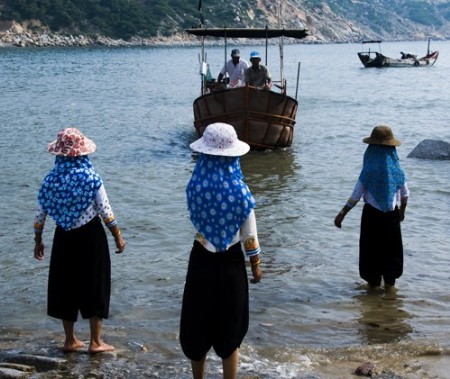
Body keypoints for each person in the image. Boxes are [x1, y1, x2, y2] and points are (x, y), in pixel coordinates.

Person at [180, 122, 263, 379]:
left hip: (201, 259)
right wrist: (256, 265)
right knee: (230, 326)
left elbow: (197, 219)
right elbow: (249, 234)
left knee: (198, 322)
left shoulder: (196, 186)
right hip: (230, 263)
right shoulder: (240, 191)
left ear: (204, 154)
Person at [33, 127, 126, 353]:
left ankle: (70, 340)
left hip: (63, 237)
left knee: (65, 285)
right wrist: (118, 237)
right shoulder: (91, 178)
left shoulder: (50, 180)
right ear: (82, 153)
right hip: (91, 236)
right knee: (95, 284)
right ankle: (95, 342)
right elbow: (105, 211)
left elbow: (40, 214)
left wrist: (38, 240)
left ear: (60, 154)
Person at [334, 125, 409, 299]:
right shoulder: (397, 170)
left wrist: (342, 214)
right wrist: (402, 211)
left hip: (372, 218)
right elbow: (405, 194)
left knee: (371, 254)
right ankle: (390, 291)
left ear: (371, 148)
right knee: (392, 253)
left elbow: (356, 196)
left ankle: (372, 290)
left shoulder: (368, 171)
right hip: (391, 217)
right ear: (392, 149)